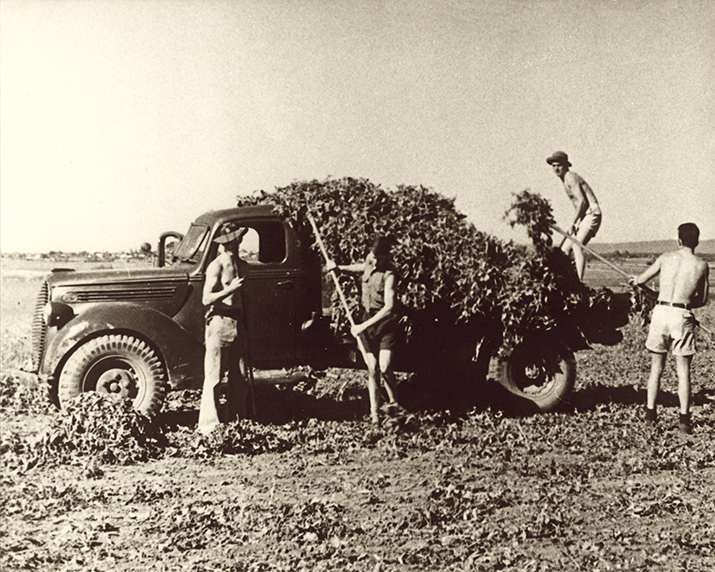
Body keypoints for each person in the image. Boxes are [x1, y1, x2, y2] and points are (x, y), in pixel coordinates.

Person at [629, 223, 709, 434]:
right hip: (682, 315)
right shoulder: (701, 265)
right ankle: (684, 422)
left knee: (657, 368)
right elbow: (701, 300)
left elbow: (641, 280)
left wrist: (636, 281)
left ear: (679, 240)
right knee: (683, 371)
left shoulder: (665, 258)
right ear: (697, 241)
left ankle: (650, 416)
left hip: (660, 313)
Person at [326, 237, 400, 425]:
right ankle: (375, 415)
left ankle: (394, 407)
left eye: (377, 257)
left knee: (385, 368)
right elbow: (361, 267)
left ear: (385, 255)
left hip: (384, 324)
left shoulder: (390, 274)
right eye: (372, 256)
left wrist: (362, 327)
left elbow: (389, 307)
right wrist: (339, 268)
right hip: (367, 320)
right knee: (372, 369)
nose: (373, 260)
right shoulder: (370, 260)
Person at [198, 223, 250, 436]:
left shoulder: (243, 265)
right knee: (214, 376)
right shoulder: (216, 266)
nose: (231, 244)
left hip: (238, 323)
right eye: (227, 241)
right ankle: (209, 426)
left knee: (240, 375)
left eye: (234, 239)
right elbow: (205, 298)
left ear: (239, 240)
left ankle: (237, 420)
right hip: (219, 322)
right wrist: (229, 289)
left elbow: (246, 299)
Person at [547, 151, 602, 280]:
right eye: (553, 165)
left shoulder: (570, 177)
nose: (556, 168)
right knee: (564, 250)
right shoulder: (565, 180)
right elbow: (578, 205)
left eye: (559, 165)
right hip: (584, 216)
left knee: (577, 245)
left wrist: (573, 222)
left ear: (566, 165)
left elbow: (582, 201)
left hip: (592, 213)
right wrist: (576, 222)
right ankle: (567, 279)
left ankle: (578, 282)